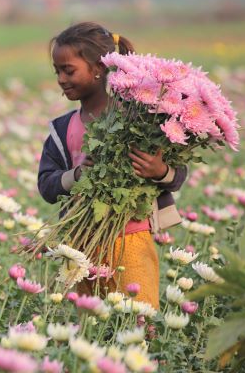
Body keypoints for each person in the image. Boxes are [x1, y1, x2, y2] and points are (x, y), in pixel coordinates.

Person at [37, 22, 187, 308]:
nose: (61, 78)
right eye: (57, 71)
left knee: (138, 321)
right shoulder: (62, 129)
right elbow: (46, 185)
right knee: (91, 329)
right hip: (81, 246)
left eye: (68, 70)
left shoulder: (141, 119)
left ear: (98, 68)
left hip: (131, 239)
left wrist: (159, 171)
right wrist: (78, 175)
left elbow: (178, 173)